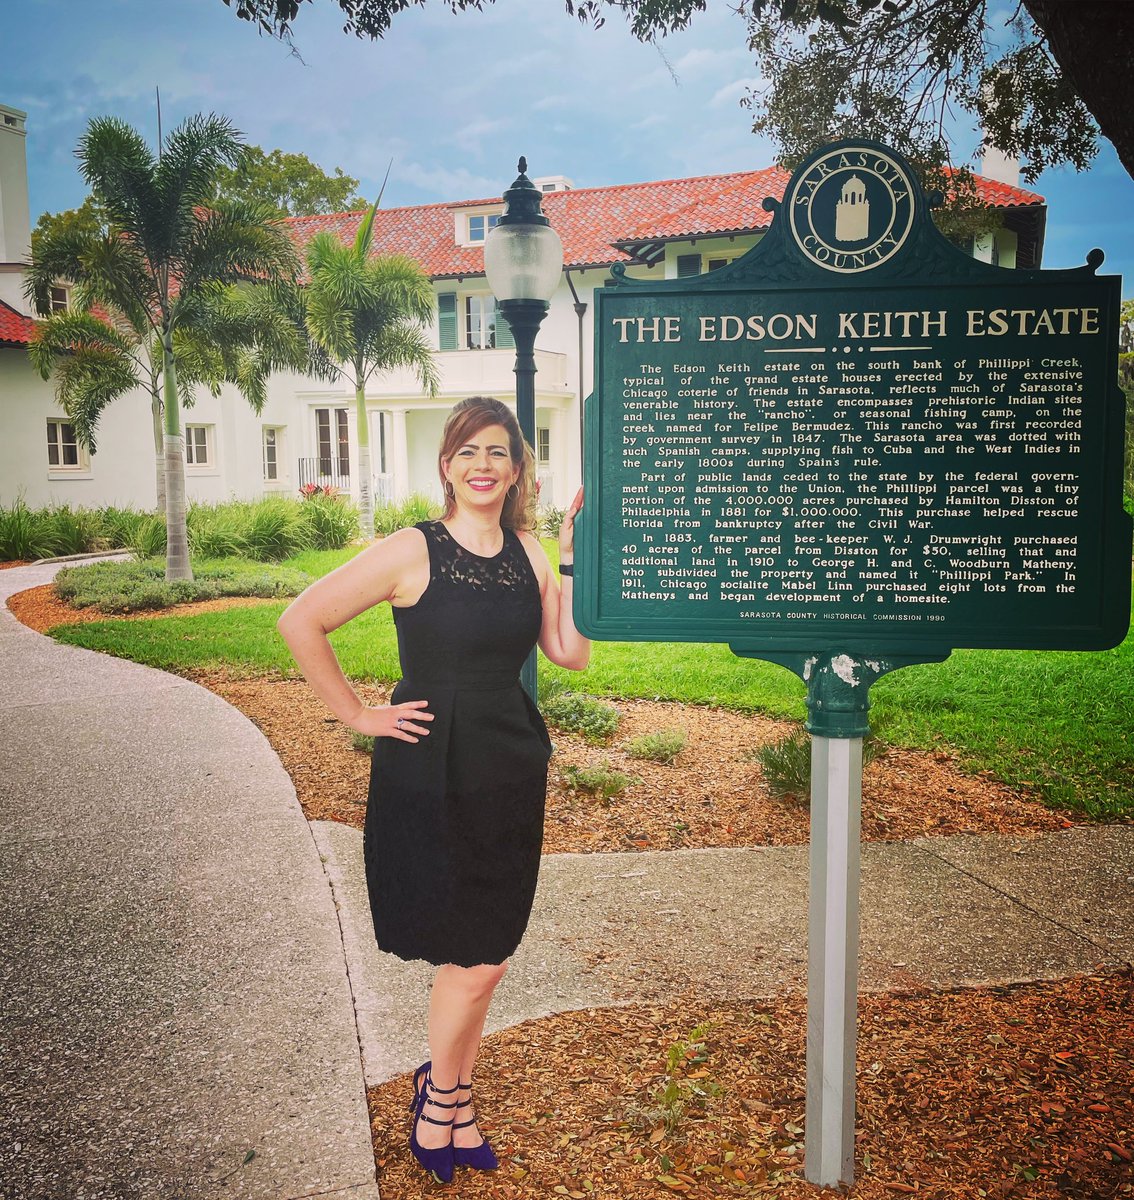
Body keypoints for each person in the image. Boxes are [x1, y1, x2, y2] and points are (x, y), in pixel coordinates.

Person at [276, 396, 590, 1183]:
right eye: (468, 452)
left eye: (498, 453)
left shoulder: (529, 549)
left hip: (509, 761)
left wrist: (576, 556)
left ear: (519, 468)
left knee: (489, 953)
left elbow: (570, 653)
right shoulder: (411, 550)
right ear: (447, 464)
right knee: (471, 954)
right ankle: (446, 1100)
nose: (483, 466)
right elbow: (301, 620)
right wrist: (355, 713)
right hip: (429, 764)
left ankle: (444, 1093)